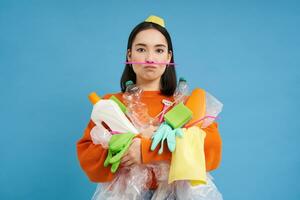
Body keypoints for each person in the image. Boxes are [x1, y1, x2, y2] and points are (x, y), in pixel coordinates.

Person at [77, 15, 222, 199]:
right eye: (141, 49)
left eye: (159, 50)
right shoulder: (111, 104)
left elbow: (211, 151)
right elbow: (88, 158)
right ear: (129, 55)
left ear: (169, 57)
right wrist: (124, 152)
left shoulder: (186, 104)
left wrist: (146, 150)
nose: (150, 58)